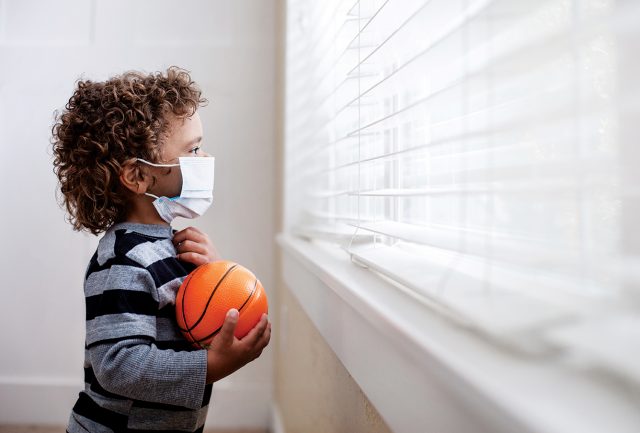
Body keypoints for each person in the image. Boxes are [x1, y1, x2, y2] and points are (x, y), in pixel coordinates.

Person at [51, 66, 271, 432]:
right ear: (138, 176)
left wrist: (214, 273)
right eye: (192, 149)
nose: (204, 160)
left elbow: (189, 316)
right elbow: (119, 365)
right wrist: (212, 367)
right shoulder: (122, 260)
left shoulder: (168, 243)